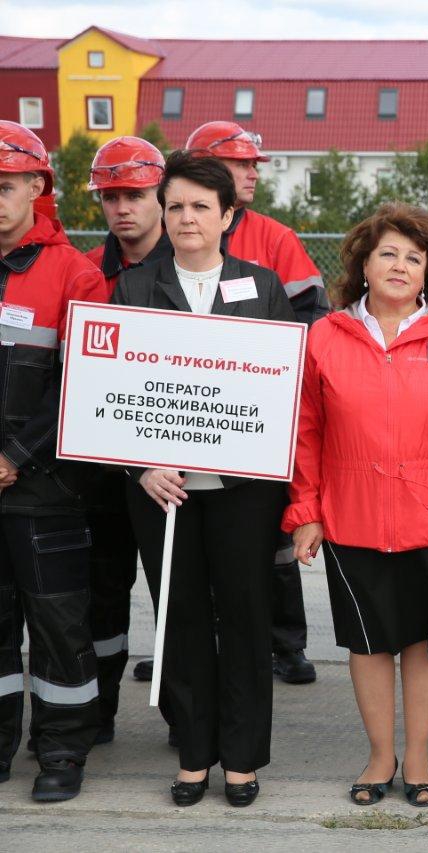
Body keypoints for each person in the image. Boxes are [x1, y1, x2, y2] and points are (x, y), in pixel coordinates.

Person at [285, 202, 428, 807]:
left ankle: (421, 757)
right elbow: (305, 432)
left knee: (423, 643)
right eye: (388, 254)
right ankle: (380, 757)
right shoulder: (324, 338)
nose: (401, 265)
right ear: (363, 264)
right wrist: (306, 512)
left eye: (414, 256)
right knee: (367, 642)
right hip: (350, 517)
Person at [111, 151, 297, 807]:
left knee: (246, 616)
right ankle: (194, 752)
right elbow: (113, 393)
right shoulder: (134, 287)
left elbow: (283, 390)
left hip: (244, 490)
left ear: (228, 215)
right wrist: (142, 464)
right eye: (176, 206)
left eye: (199, 206)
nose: (186, 218)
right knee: (181, 617)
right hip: (165, 491)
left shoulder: (263, 285)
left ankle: (242, 757)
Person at [184, 120, 328, 687]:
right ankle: (195, 643)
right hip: (190, 412)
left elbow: (314, 315)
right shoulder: (180, 234)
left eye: (252, 165)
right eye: (239, 164)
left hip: (259, 413)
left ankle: (285, 643)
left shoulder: (274, 238)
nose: (251, 174)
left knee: (272, 537)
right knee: (199, 542)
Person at [0, 121, 109, 802]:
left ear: (38, 187)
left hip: (47, 488)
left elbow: (81, 385)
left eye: (5, 186)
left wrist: (12, 456)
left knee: (61, 625)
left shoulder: (76, 273)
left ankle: (63, 751)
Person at [82, 136, 170, 745]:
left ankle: (184, 717)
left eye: (135, 194)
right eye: (111, 196)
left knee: (181, 600)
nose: (122, 208)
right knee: (99, 600)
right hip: (99, 473)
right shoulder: (84, 273)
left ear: (160, 196)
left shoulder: (196, 266)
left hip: (174, 476)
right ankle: (98, 711)